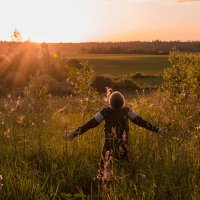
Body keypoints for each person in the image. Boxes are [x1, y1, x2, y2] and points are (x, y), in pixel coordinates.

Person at [65, 91, 167, 183]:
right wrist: (157, 129)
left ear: (110, 103)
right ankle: (125, 186)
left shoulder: (105, 112)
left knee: (102, 170)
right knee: (125, 171)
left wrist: (74, 133)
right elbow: (141, 122)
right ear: (123, 103)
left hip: (108, 145)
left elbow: (90, 124)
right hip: (123, 144)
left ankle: (103, 187)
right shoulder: (127, 111)